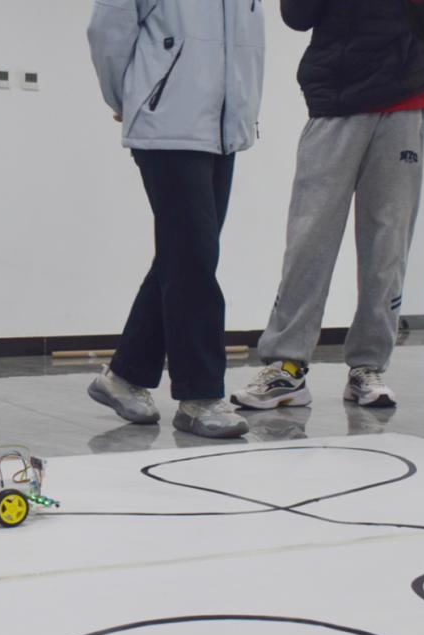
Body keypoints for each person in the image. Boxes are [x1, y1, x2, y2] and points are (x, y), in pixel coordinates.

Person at [233, 0, 424, 411]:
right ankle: (287, 365)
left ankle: (368, 365)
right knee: (310, 238)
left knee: (387, 244)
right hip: (335, 102)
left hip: (403, 104)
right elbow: (296, 16)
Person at [85, 0, 265, 438]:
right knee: (193, 257)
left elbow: (248, 48)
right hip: (167, 125)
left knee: (184, 256)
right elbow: (106, 31)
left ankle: (124, 375)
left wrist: (241, 113)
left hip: (222, 131)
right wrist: (132, 98)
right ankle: (200, 395)